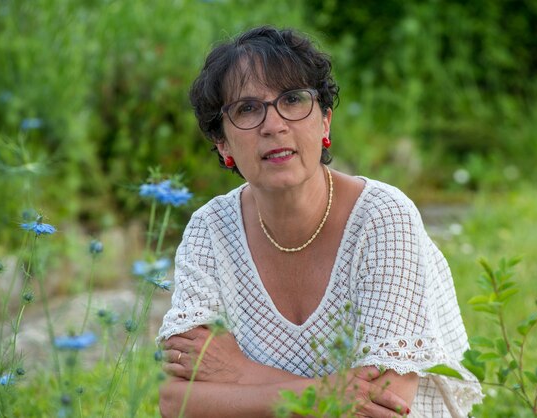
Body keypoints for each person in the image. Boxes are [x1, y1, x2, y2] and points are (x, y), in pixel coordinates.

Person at [157, 26, 483, 418]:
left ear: (325, 122)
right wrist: (332, 396)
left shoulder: (382, 217)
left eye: (293, 100)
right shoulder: (209, 231)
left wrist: (239, 374)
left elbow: (384, 404)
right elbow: (176, 402)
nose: (274, 125)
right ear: (222, 143)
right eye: (246, 109)